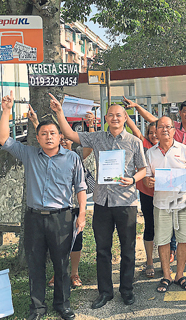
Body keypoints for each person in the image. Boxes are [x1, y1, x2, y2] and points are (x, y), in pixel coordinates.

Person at [50, 94, 147, 309]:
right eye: (111, 115)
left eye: (119, 115)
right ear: (105, 118)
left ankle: (127, 290)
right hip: (102, 202)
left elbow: (143, 170)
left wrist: (132, 179)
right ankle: (105, 292)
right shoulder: (97, 138)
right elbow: (69, 134)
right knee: (102, 250)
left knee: (127, 250)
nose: (115, 118)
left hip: (126, 202)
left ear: (124, 118)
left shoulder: (134, 142)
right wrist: (59, 113)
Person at [0, 92, 86, 320]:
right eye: (44, 134)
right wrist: (6, 111)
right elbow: (3, 140)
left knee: (62, 264)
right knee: (35, 264)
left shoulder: (72, 158)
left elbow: (81, 187)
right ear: (37, 137)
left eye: (53, 133)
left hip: (62, 218)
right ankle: (37, 308)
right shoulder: (29, 154)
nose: (48, 137)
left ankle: (63, 304)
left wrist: (82, 214)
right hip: (35, 218)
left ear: (59, 136)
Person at [122, 97, 186, 264]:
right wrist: (137, 107)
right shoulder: (166, 134)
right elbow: (151, 119)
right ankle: (172, 251)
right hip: (162, 194)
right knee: (167, 225)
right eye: (184, 112)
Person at [27, 105, 94, 289]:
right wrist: (35, 122)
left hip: (69, 207)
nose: (57, 142)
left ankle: (73, 273)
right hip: (46, 211)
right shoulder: (44, 151)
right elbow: (45, 136)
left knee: (73, 245)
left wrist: (92, 126)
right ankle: (57, 277)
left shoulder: (75, 156)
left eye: (62, 139)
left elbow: (88, 149)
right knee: (52, 250)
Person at [143, 116, 186, 293]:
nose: (165, 130)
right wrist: (148, 181)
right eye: (161, 127)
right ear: (156, 131)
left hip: (183, 202)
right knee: (163, 239)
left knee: (184, 239)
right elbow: (145, 178)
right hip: (161, 204)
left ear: (174, 130)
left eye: (168, 127)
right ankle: (166, 276)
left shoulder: (184, 150)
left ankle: (180, 275)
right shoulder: (150, 153)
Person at [125, 115, 159, 278]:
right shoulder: (144, 144)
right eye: (150, 132)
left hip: (165, 194)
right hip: (147, 193)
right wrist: (125, 116)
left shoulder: (167, 147)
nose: (153, 135)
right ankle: (150, 261)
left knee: (168, 228)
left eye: (156, 132)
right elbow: (135, 130)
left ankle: (168, 260)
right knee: (150, 226)